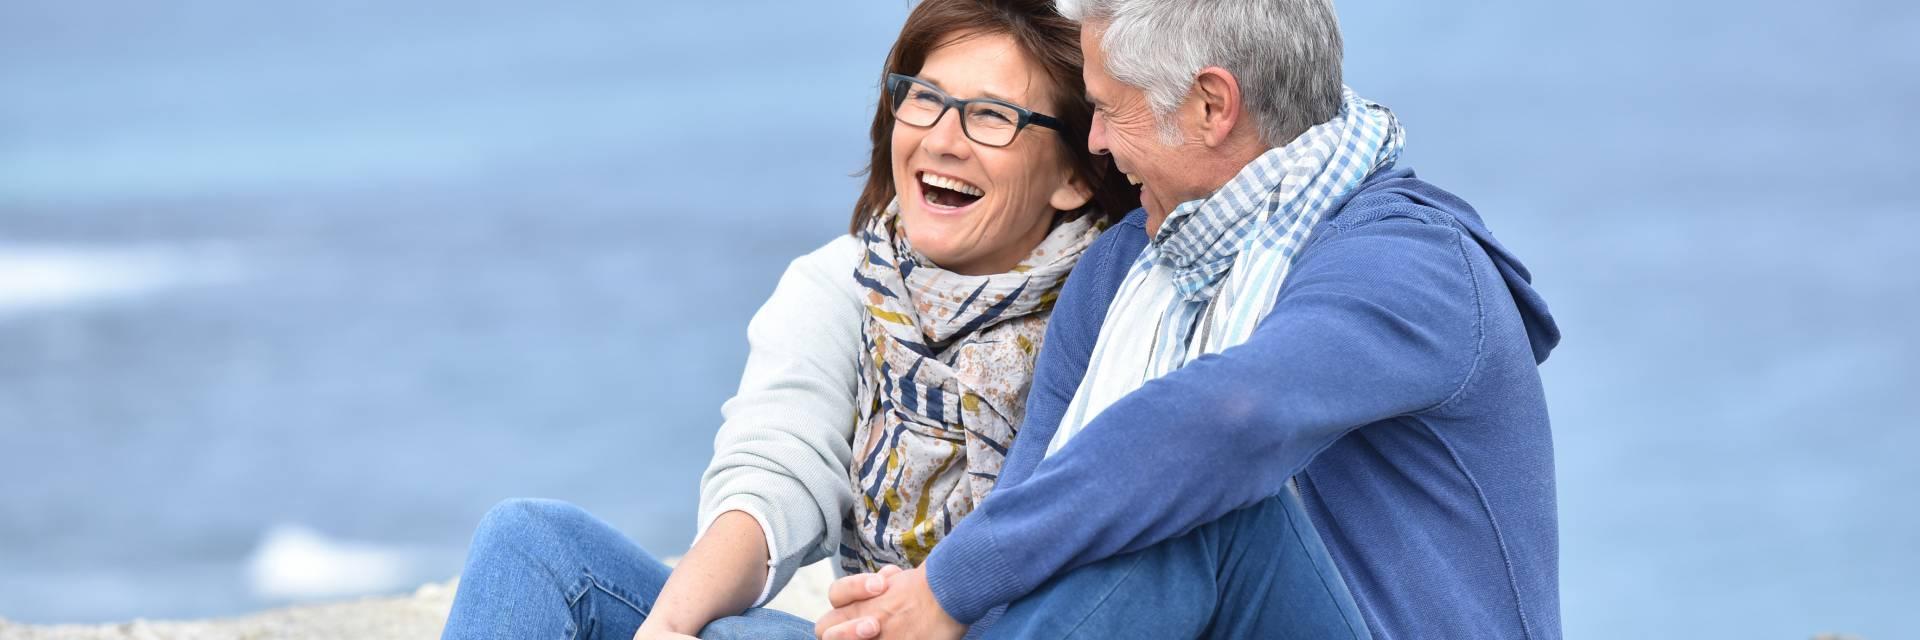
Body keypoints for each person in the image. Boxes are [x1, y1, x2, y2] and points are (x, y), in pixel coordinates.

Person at [815, 0, 1565, 637]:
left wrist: (948, 585)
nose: (1098, 142)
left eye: (1109, 109)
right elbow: (1027, 508)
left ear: (1212, 105)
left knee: (1206, 508)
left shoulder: (1412, 266)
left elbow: (1231, 419)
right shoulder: (1120, 271)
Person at [435, 1, 1138, 638]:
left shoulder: (1116, 306)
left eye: (990, 116)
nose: (943, 140)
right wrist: (669, 627)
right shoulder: (842, 283)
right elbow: (778, 469)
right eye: (924, 99)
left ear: (1074, 174)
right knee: (529, 541)